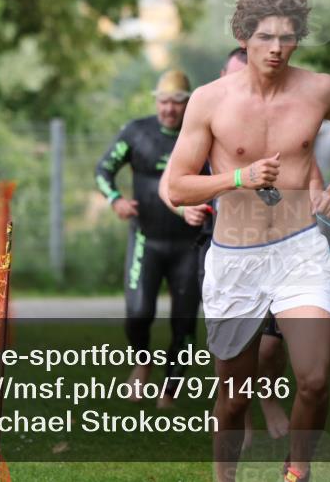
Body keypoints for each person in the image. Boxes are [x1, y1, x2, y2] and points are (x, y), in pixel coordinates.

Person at [166, 0, 330, 482]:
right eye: (265, 37)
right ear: (244, 37)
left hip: (299, 251)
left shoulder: (319, 89)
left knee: (315, 381)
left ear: (299, 39)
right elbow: (177, 187)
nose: (277, 48)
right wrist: (238, 178)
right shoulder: (209, 101)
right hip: (235, 258)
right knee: (234, 398)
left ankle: (295, 472)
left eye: (287, 37)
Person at [158, 46, 313, 445]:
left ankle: (268, 400)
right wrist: (184, 211)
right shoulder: (212, 110)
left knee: (270, 349)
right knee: (231, 347)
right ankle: (238, 416)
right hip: (222, 242)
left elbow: (312, 172)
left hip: (282, 246)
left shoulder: (281, 120)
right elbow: (172, 184)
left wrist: (322, 205)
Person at [95, 69, 210, 409]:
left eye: (177, 103)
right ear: (155, 102)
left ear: (187, 104)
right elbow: (103, 169)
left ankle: (169, 392)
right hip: (147, 238)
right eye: (164, 102)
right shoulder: (136, 132)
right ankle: (142, 361)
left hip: (189, 243)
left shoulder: (201, 135)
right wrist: (115, 199)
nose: (169, 110)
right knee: (138, 312)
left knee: (185, 322)